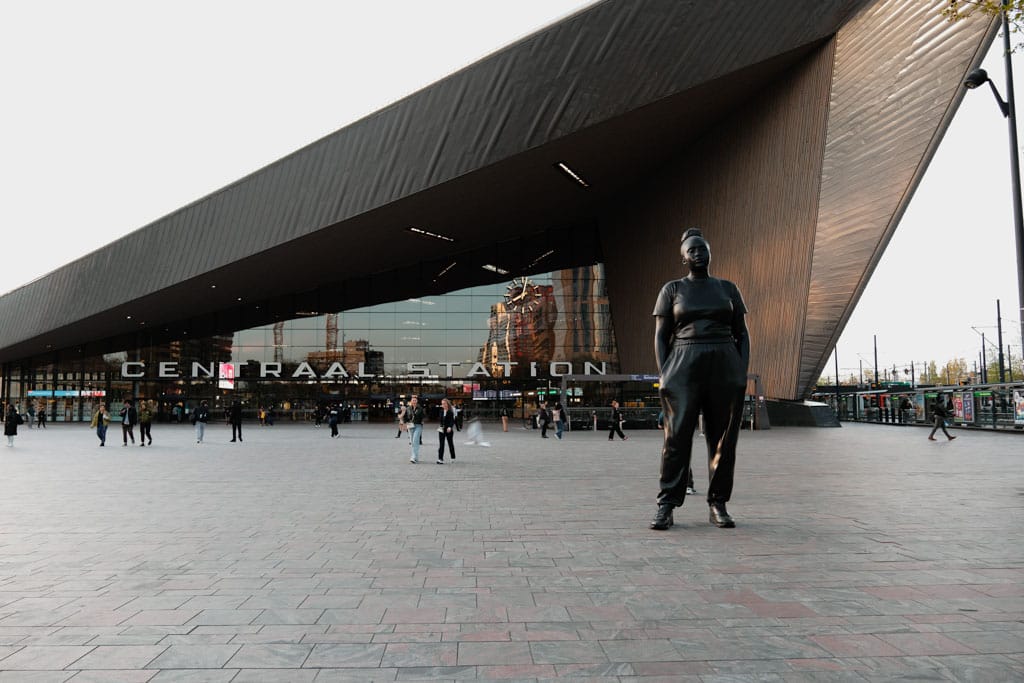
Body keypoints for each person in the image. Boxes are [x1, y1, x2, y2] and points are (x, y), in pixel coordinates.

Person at [650, 227, 749, 531]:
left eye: (702, 248)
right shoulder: (672, 289)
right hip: (683, 361)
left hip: (724, 361)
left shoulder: (728, 288)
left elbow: (742, 333)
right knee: (676, 438)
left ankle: (718, 503)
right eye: (691, 250)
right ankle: (666, 504)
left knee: (723, 439)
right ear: (683, 258)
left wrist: (740, 371)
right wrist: (665, 372)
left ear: (710, 252)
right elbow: (661, 336)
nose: (698, 253)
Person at [437, 398, 456, 464]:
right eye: (442, 404)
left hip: (448, 430)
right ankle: (440, 459)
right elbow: (440, 420)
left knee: (450, 444)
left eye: (444, 403)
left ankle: (453, 457)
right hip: (442, 430)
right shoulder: (441, 411)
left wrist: (450, 427)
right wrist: (440, 426)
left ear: (447, 404)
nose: (443, 405)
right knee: (441, 444)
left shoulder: (450, 412)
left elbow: (452, 421)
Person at [407, 395, 425, 463]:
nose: (414, 401)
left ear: (417, 401)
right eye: (413, 400)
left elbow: (424, 416)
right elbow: (406, 417)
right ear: (411, 401)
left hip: (418, 426)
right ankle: (416, 457)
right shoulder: (408, 408)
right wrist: (405, 422)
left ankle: (413, 457)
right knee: (413, 442)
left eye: (415, 400)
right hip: (410, 426)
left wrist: (422, 420)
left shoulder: (420, 409)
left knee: (415, 440)